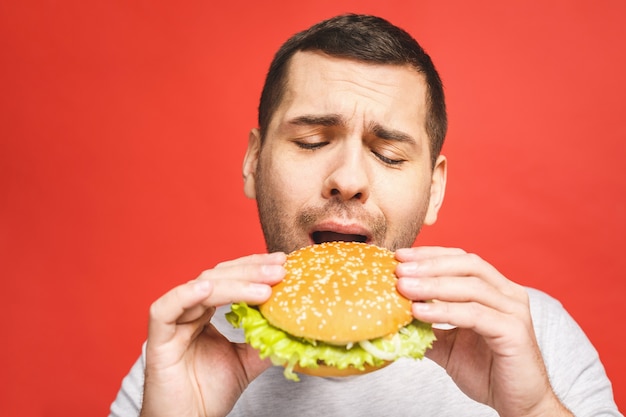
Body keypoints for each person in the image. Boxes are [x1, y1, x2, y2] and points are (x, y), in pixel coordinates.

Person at [109, 14, 621, 417]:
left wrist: (533, 412)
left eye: (390, 155)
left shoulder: (532, 335)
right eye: (311, 141)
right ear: (254, 162)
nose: (348, 179)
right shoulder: (188, 352)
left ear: (435, 188)